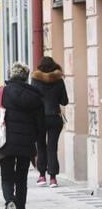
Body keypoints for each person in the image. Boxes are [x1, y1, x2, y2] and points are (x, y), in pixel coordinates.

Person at [0, 62, 45, 209]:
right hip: (25, 143)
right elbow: (41, 124)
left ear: (11, 76)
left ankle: (9, 202)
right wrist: (37, 142)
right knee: (21, 179)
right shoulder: (34, 96)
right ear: (26, 77)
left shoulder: (2, 92)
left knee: (6, 176)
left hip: (5, 141)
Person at [30, 57, 68, 188]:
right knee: (53, 147)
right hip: (54, 118)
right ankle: (53, 178)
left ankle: (41, 176)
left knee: (40, 146)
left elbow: (32, 100)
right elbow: (64, 101)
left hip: (40, 118)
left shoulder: (35, 80)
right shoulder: (59, 80)